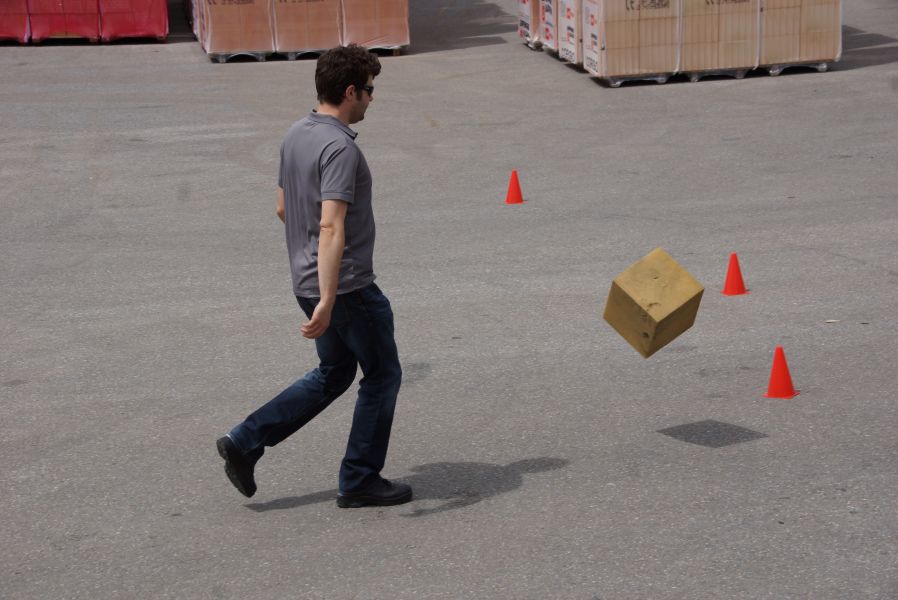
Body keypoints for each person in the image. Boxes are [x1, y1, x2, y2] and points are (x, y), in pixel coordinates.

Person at [216, 45, 410, 509]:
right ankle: (359, 478)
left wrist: (314, 278)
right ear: (350, 91)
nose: (372, 99)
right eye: (369, 90)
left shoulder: (296, 133)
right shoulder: (340, 147)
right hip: (345, 288)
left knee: (335, 372)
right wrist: (329, 296)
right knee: (382, 375)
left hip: (305, 280)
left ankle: (245, 440)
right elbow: (331, 225)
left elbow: (283, 208)